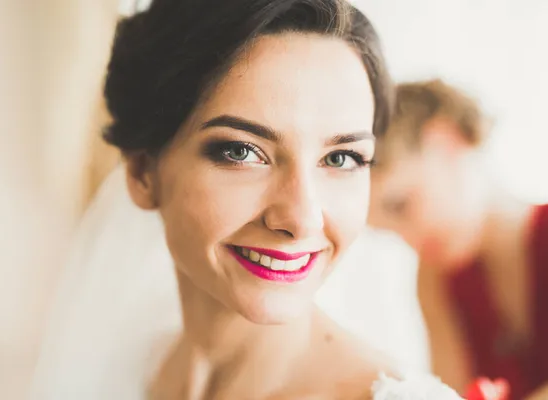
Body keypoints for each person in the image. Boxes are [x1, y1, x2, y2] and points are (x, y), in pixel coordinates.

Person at [101, 0, 398, 398]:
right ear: (143, 174)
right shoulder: (123, 370)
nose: (302, 218)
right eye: (241, 152)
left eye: (341, 158)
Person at [369, 79, 548, 399]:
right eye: (388, 231)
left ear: (446, 142)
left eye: (401, 206)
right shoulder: (436, 277)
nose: (409, 240)